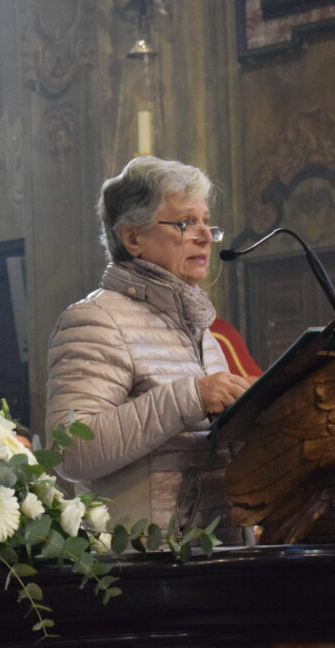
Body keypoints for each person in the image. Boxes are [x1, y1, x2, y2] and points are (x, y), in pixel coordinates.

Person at [45, 157, 252, 538]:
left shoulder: (201, 329)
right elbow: (70, 450)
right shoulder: (96, 320)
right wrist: (191, 397)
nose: (204, 235)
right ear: (133, 238)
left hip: (220, 554)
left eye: (207, 222)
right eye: (186, 222)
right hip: (145, 563)